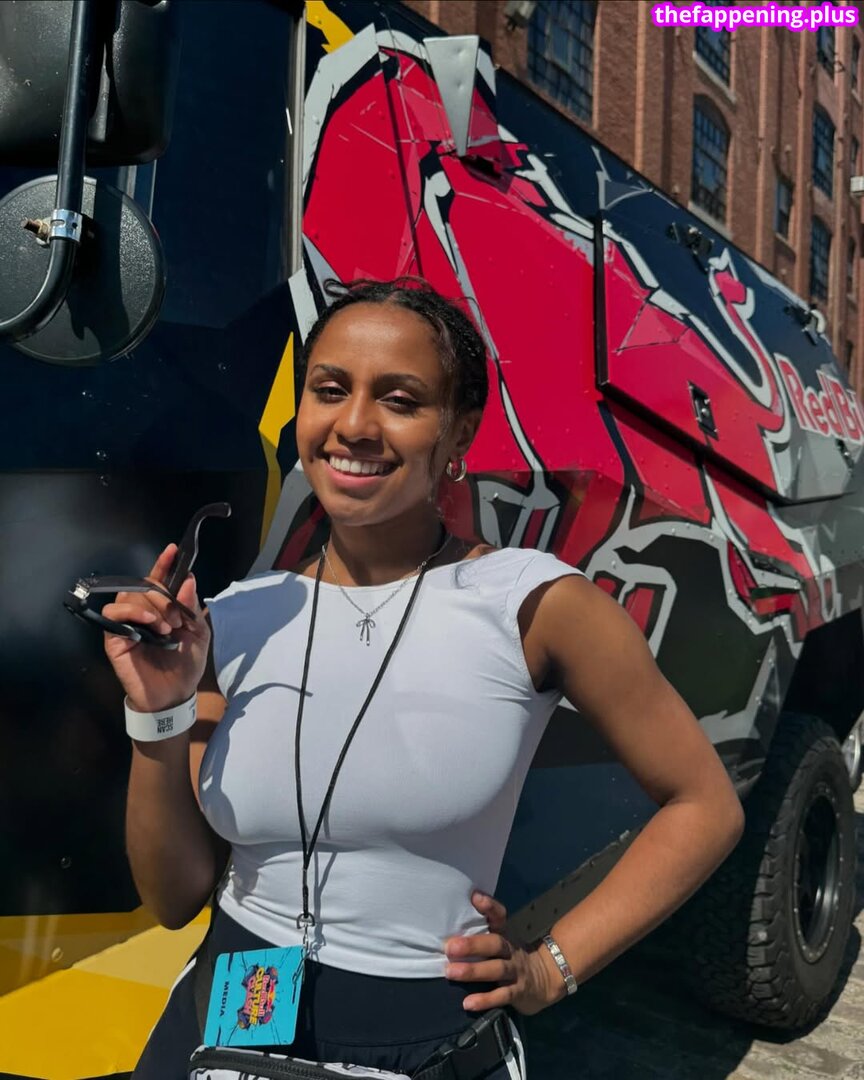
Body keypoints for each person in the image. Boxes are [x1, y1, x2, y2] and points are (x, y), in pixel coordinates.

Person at [103, 278, 744, 1079]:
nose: (354, 425)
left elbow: (704, 804)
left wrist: (552, 968)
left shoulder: (531, 604)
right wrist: (157, 718)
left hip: (428, 1042)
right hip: (236, 1006)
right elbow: (174, 899)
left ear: (458, 432)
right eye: (329, 389)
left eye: (400, 400)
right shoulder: (234, 618)